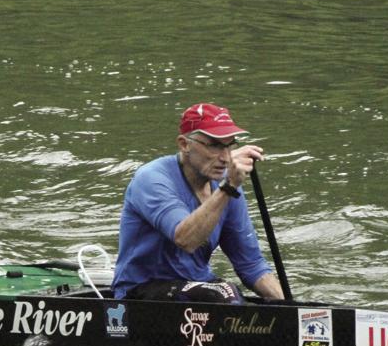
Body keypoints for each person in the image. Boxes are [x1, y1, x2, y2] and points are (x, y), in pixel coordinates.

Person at [111, 102, 284, 303]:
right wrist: (227, 187)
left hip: (195, 288)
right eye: (215, 145)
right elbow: (186, 239)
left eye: (229, 145)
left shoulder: (226, 185)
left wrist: (291, 308)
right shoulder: (151, 179)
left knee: (240, 296)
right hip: (140, 292)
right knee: (223, 293)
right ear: (185, 144)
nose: (225, 157)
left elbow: (251, 265)